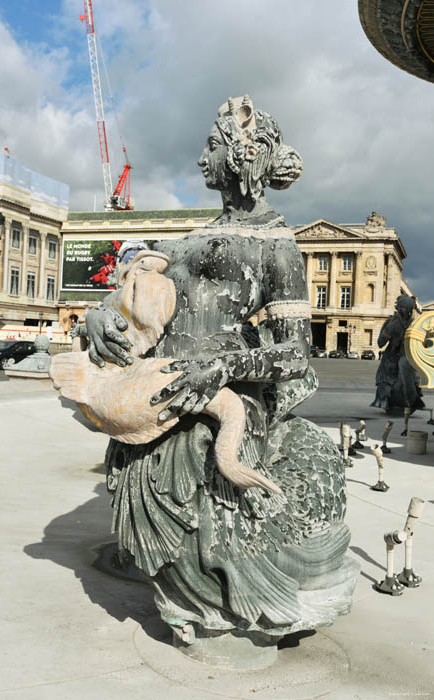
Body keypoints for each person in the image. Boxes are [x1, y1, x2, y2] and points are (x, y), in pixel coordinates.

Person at [84, 96, 357, 640]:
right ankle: (183, 593)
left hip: (223, 390)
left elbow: (295, 351)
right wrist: (99, 319)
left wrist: (222, 367)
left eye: (212, 146)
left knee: (204, 491)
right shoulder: (190, 236)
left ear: (242, 156)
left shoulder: (278, 243)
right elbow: (132, 295)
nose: (202, 158)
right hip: (162, 384)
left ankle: (222, 604)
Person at [371, 295, 424, 414]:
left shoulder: (411, 325)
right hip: (393, 360)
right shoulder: (395, 323)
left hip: (404, 360)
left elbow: (380, 343)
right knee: (391, 381)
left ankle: (406, 402)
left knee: (409, 381)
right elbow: (380, 343)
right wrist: (389, 332)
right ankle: (396, 403)